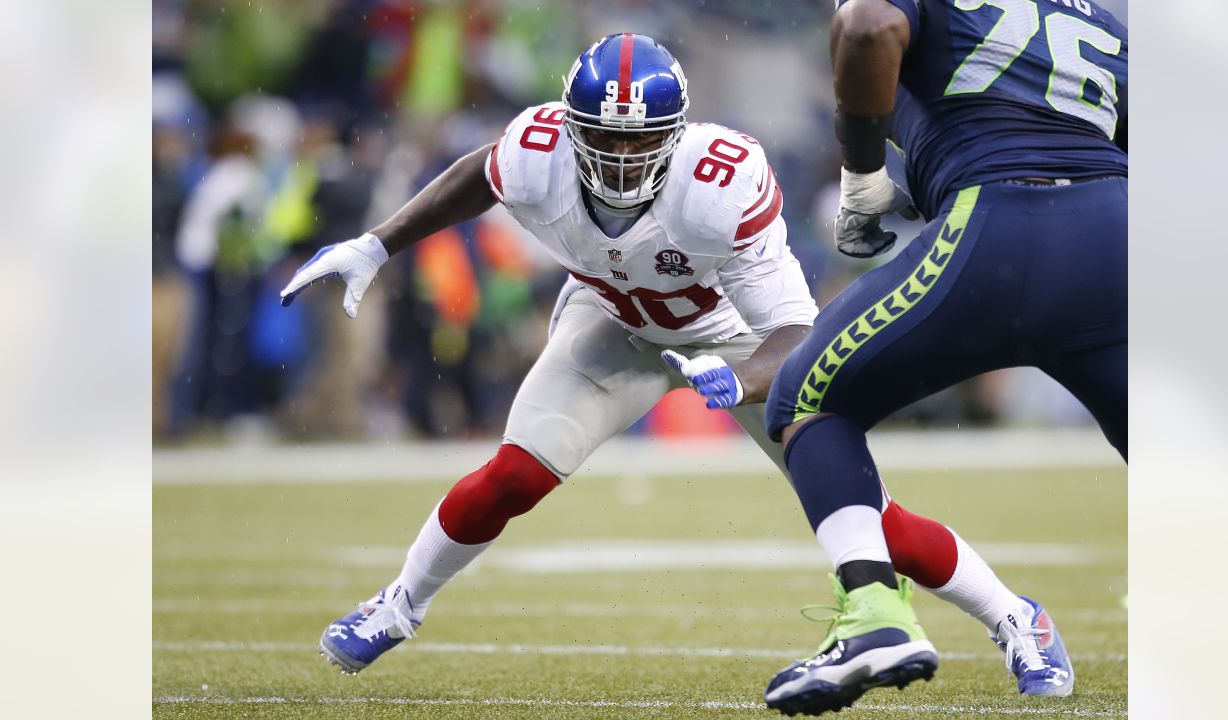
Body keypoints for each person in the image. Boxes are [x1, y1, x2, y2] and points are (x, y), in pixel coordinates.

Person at [279, 33, 1061, 684]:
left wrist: (740, 377)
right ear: (570, 124)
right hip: (611, 320)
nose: (621, 155)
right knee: (516, 472)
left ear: (678, 131)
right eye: (605, 135)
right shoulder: (537, 148)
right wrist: (374, 245)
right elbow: (478, 176)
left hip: (732, 334)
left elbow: (796, 332)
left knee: (865, 520)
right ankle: (399, 603)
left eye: (640, 138)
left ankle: (1016, 617)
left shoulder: (719, 182)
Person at [761, 0, 1127, 714]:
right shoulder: (1104, 22)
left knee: (806, 399)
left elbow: (867, 27)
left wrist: (863, 175)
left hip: (999, 228)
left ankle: (873, 617)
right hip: (1117, 235)